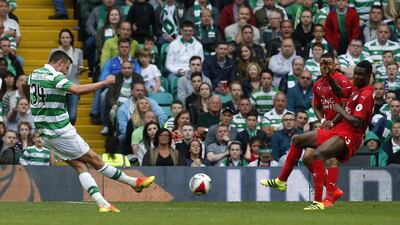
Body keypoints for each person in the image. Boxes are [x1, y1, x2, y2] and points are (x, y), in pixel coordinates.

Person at [26, 50, 155, 212]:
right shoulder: (54, 77)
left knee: (80, 166)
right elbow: (77, 90)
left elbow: (25, 84)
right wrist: (104, 83)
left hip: (45, 135)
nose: (66, 73)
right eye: (66, 69)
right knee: (95, 159)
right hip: (60, 131)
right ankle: (134, 183)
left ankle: (103, 204)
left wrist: (35, 107)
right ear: (59, 63)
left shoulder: (35, 74)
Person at [261, 60, 375, 210]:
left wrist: (340, 110)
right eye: (355, 74)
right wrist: (329, 78)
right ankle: (282, 181)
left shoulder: (366, 95)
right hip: (337, 129)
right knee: (297, 140)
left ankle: (320, 201)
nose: (357, 77)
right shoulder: (355, 87)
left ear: (369, 76)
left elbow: (356, 123)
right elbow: (340, 92)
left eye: (361, 75)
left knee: (317, 155)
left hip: (351, 135)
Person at [50, 28, 84, 125]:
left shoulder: (78, 52)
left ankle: (69, 133)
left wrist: (80, 70)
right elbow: (50, 68)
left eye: (67, 37)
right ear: (60, 39)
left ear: (71, 39)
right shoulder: (54, 52)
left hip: (73, 86)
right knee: (59, 115)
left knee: (72, 116)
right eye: (63, 37)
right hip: (58, 87)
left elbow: (79, 70)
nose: (65, 39)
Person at [165, 20, 204, 87]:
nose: (187, 33)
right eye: (185, 30)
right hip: (176, 73)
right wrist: (177, 71)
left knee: (203, 81)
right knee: (176, 82)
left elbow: (201, 62)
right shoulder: (173, 44)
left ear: (193, 31)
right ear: (181, 31)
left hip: (193, 72)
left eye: (190, 31)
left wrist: (192, 71)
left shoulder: (198, 45)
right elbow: (168, 64)